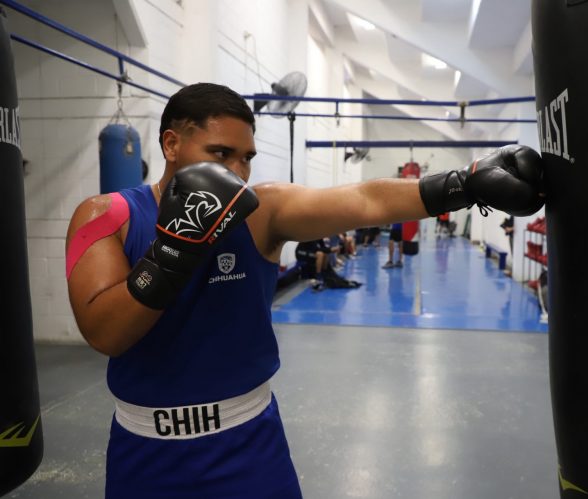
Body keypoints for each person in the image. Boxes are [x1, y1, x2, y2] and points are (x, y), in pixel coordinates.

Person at [65, 82, 544, 498]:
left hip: (248, 446)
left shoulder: (261, 211)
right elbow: (105, 334)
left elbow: (364, 200)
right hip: (146, 451)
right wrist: (175, 249)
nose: (237, 172)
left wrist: (463, 185)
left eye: (246, 158)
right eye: (220, 154)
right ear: (171, 144)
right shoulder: (107, 215)